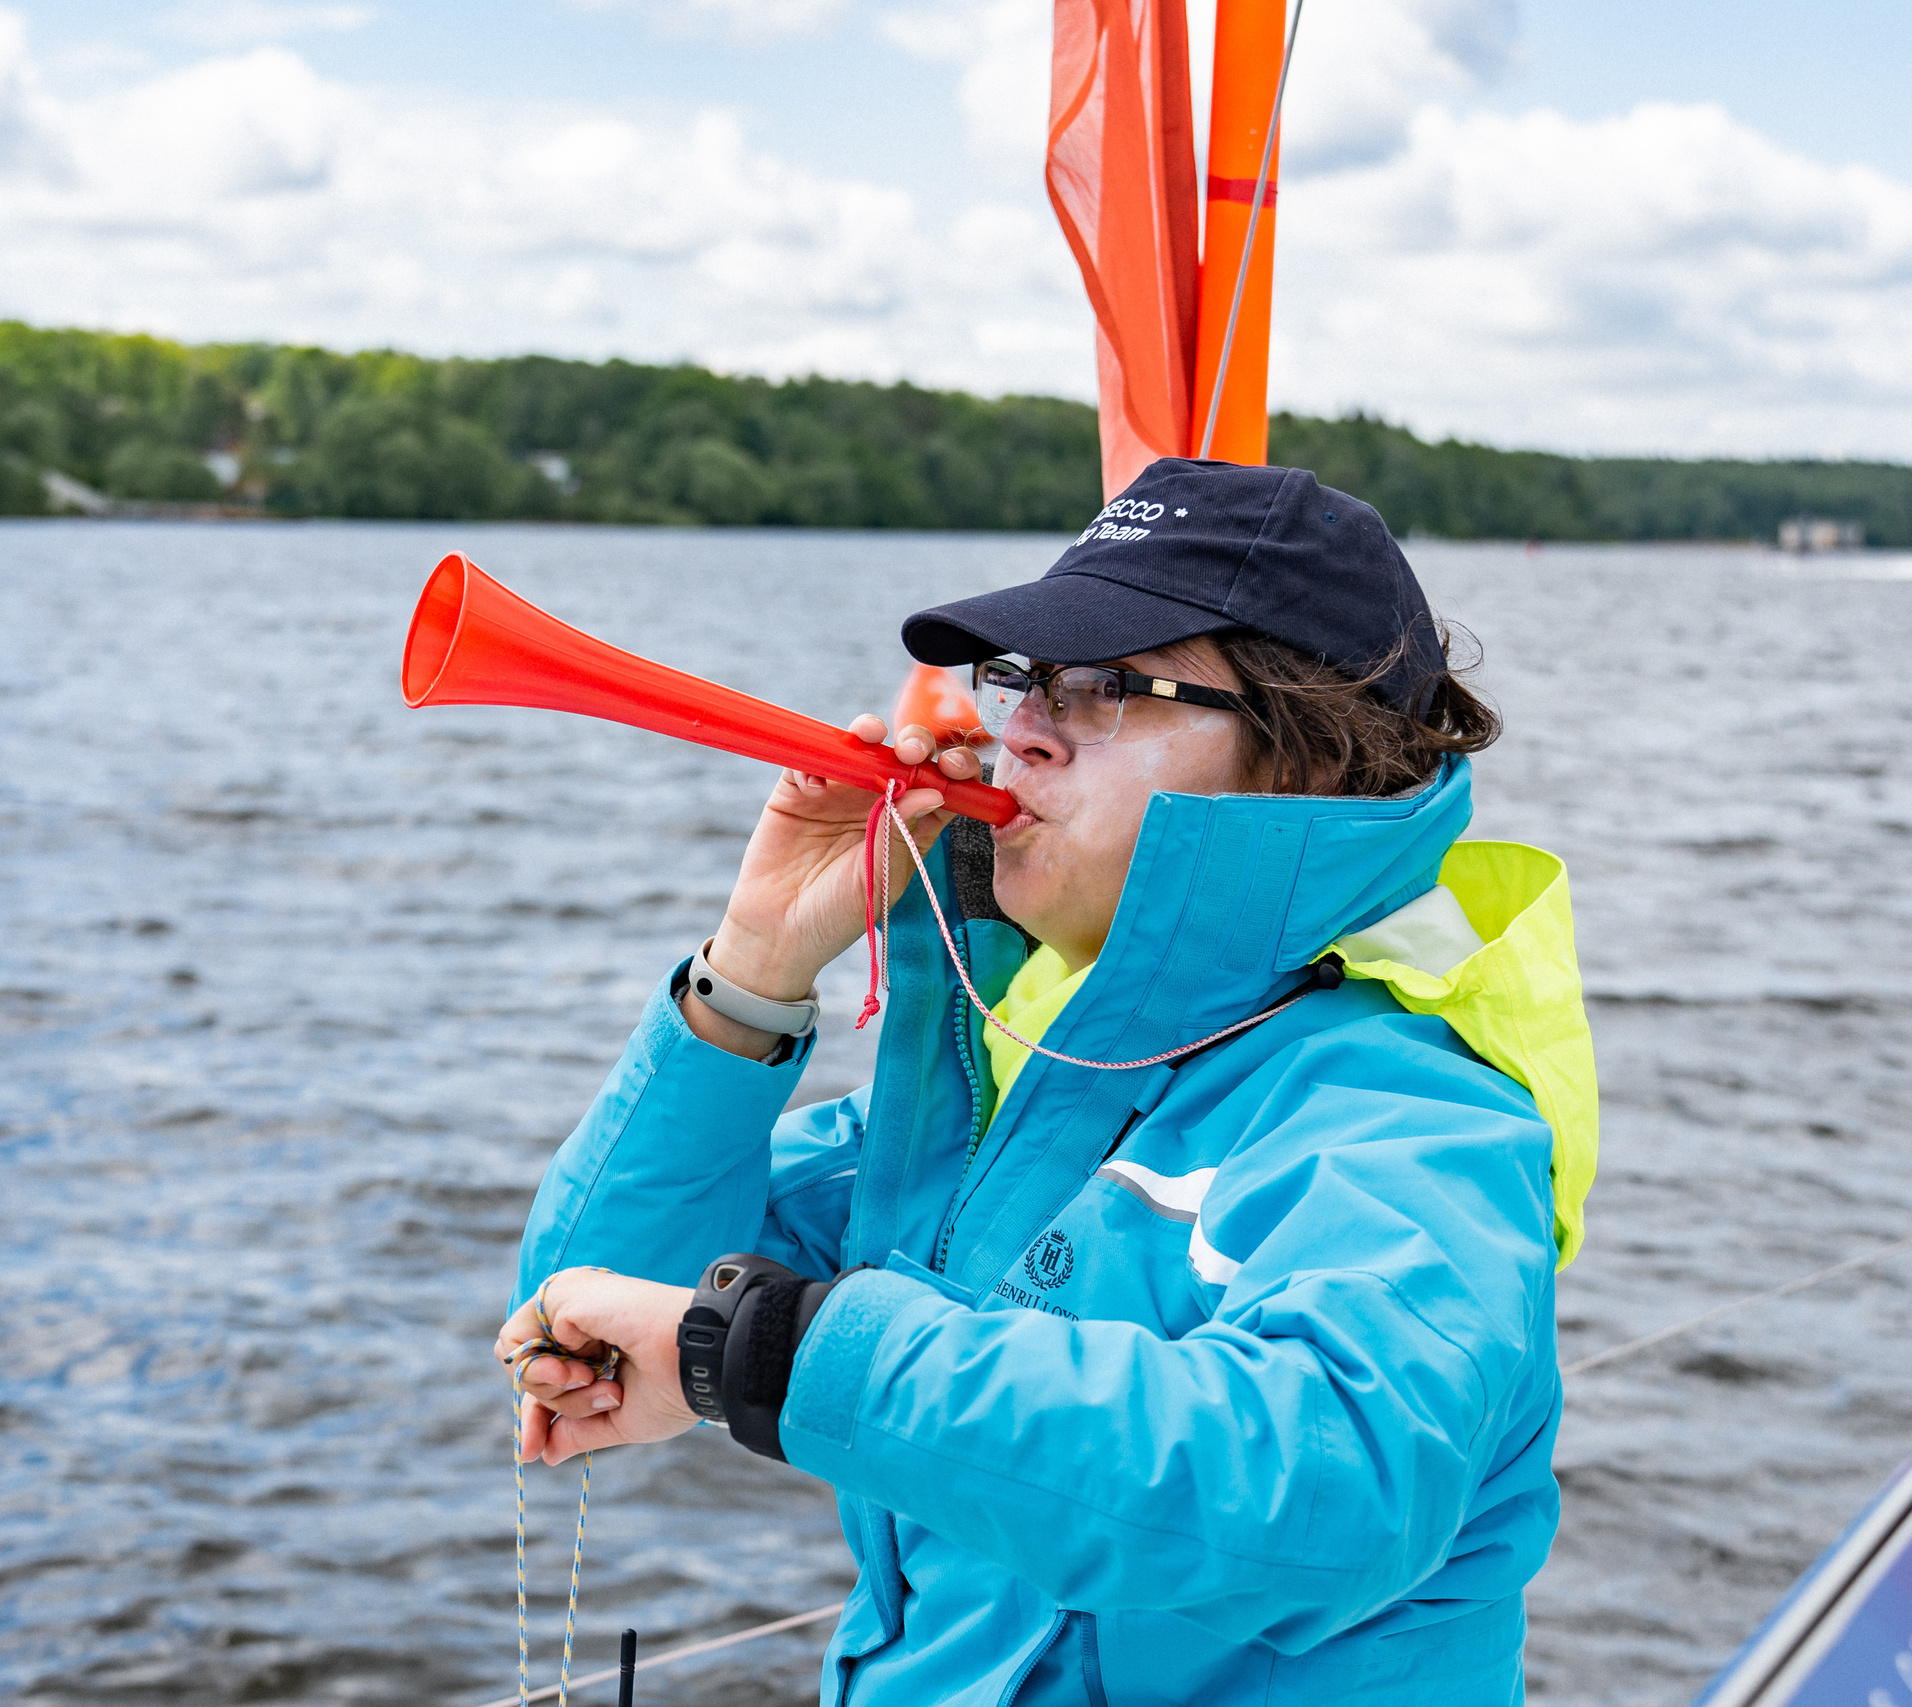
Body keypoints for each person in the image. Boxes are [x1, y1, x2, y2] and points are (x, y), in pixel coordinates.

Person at [495, 458, 1597, 1706]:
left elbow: (1327, 1483)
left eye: (1102, 687)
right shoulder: (1023, 1069)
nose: (1019, 727)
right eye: (1019, 679)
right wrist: (754, 968)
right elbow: (588, 1302)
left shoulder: (1416, 1116)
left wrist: (796, 1361)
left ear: (1304, 759)